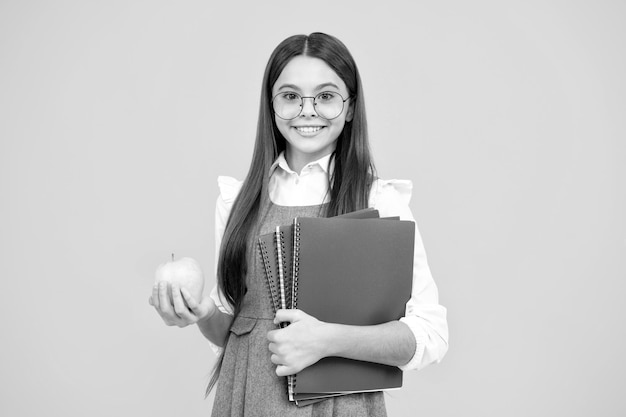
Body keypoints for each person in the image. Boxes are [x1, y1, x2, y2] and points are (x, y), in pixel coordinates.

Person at [149, 32, 448, 417]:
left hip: (342, 407)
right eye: (290, 96)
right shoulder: (237, 201)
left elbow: (429, 332)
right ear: (271, 106)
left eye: (325, 96)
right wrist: (202, 313)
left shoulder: (378, 200)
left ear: (351, 107)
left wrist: (327, 339)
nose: (307, 110)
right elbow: (237, 333)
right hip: (247, 399)